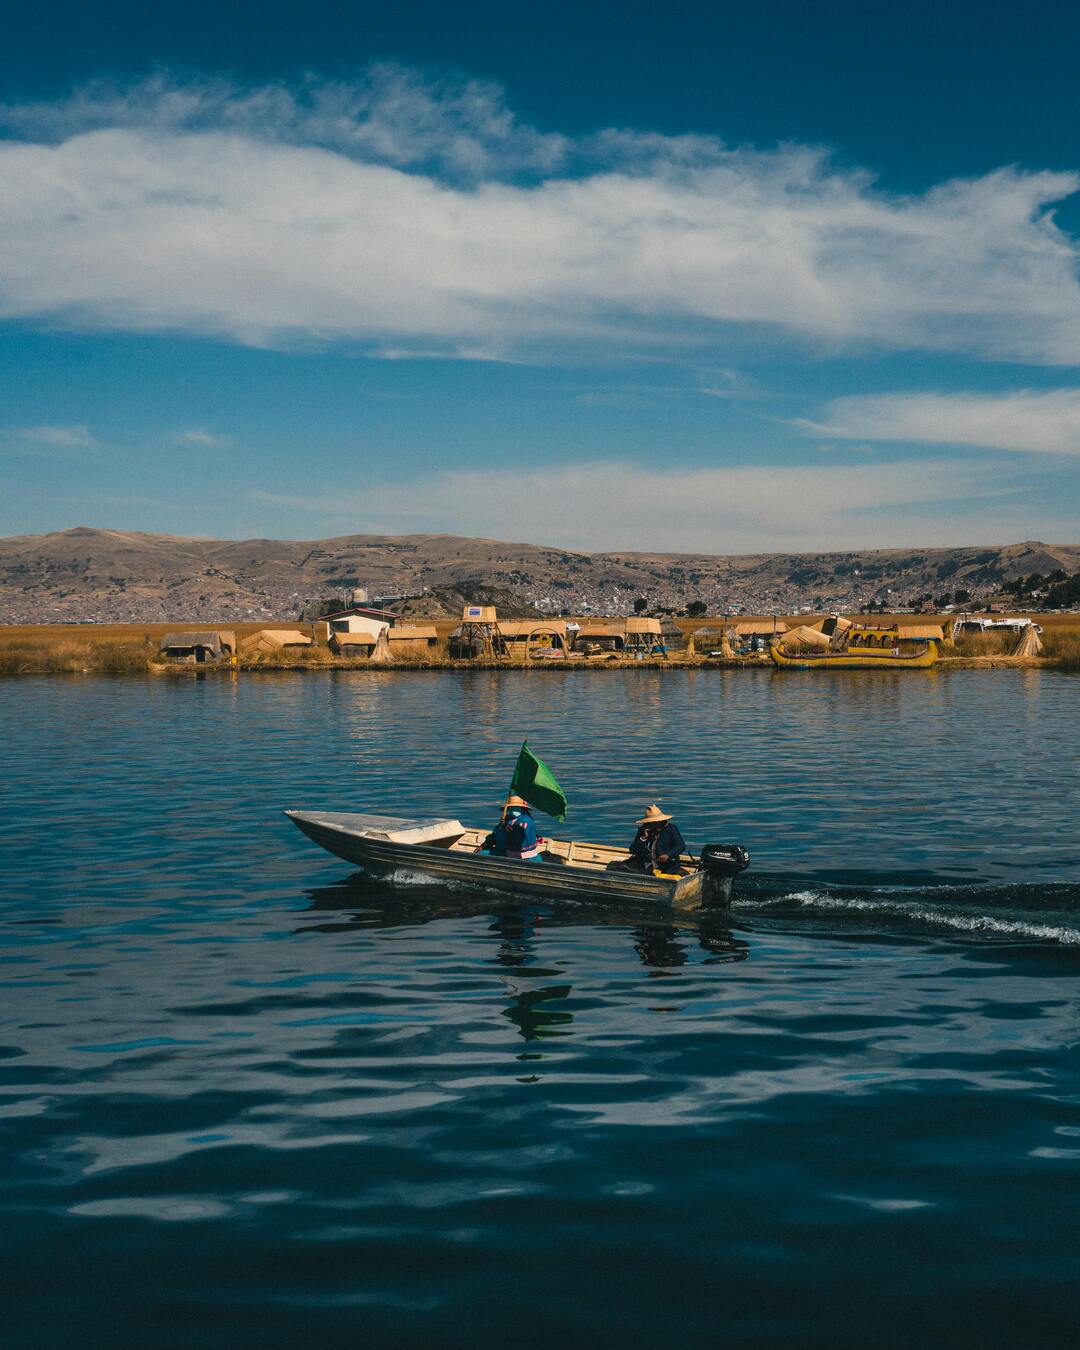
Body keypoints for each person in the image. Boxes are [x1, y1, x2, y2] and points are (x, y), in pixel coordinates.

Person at [612, 804, 687, 875]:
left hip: (665, 865)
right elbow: (633, 850)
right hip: (644, 864)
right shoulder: (644, 830)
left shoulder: (671, 829)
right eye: (651, 823)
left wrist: (668, 855)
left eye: (656, 822)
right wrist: (644, 838)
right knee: (616, 866)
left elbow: (680, 845)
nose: (654, 825)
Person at [479, 795, 543, 861]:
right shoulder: (507, 819)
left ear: (522, 808)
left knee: (483, 855)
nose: (513, 809)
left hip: (523, 856)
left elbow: (518, 838)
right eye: (511, 807)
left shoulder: (526, 820)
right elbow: (495, 833)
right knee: (481, 853)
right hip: (506, 852)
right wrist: (484, 845)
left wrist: (505, 827)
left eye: (516, 807)